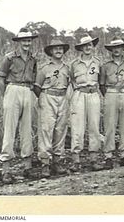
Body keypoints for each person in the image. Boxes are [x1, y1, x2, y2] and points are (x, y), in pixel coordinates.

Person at [0, 28, 38, 184]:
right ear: (19, 42)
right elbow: (0, 79)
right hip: (12, 89)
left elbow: (33, 78)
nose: (27, 43)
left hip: (28, 90)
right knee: (10, 129)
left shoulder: (33, 59)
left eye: (29, 40)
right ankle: (6, 169)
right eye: (24, 40)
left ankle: (27, 167)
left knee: (27, 129)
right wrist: (6, 97)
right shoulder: (9, 58)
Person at [33, 38, 71, 178]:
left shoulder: (67, 68)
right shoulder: (44, 68)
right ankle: (45, 163)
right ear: (50, 51)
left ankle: (57, 161)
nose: (58, 50)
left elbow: (69, 84)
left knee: (60, 129)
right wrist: (44, 99)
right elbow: (37, 87)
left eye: (60, 48)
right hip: (48, 96)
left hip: (62, 97)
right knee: (46, 129)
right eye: (55, 49)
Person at [69, 33, 104, 172]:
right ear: (81, 48)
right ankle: (76, 160)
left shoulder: (98, 62)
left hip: (93, 94)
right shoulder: (74, 64)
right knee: (77, 127)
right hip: (79, 94)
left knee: (94, 126)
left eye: (89, 45)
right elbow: (71, 79)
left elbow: (102, 80)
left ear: (93, 46)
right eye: (84, 46)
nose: (87, 47)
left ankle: (94, 158)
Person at [100, 34, 124, 169]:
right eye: (114, 47)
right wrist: (111, 94)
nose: (116, 50)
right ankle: (108, 155)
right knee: (110, 125)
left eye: (119, 47)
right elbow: (102, 85)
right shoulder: (105, 66)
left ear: (123, 49)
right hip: (111, 94)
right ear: (111, 50)